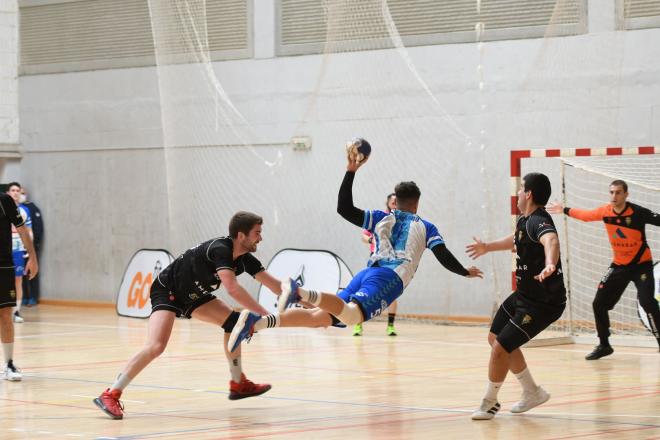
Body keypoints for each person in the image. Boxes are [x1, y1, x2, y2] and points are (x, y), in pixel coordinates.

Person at [228, 146, 483, 353]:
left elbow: (344, 208)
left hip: (367, 273)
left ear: (397, 200)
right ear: (416, 203)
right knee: (352, 318)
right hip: (389, 278)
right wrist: (464, 272)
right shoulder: (425, 226)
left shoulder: (381, 217)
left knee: (320, 318)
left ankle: (257, 323)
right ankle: (299, 291)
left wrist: (351, 170)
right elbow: (443, 255)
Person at [93, 212, 284, 420]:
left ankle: (238, 383)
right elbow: (232, 288)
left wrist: (312, 300)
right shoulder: (220, 249)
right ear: (241, 235)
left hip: (194, 295)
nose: (261, 238)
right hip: (169, 291)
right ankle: (110, 393)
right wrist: (263, 314)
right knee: (156, 346)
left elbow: (275, 286)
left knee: (233, 324)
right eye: (257, 233)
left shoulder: (244, 259)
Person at [466, 172, 565, 420]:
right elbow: (516, 240)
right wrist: (488, 246)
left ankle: (489, 402)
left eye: (521, 188)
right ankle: (532, 392)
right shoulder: (525, 220)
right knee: (494, 337)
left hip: (543, 303)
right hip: (524, 295)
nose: (518, 193)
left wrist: (550, 264)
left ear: (529, 194)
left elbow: (551, 240)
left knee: (501, 348)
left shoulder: (540, 220)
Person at [547, 180, 660, 359]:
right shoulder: (605, 212)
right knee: (598, 303)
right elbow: (586, 215)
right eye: (611, 192)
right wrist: (565, 209)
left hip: (641, 266)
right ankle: (604, 345)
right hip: (619, 265)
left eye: (618, 193)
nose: (614, 196)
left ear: (626, 195)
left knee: (647, 302)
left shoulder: (637, 212)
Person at [0, 190, 38, 381]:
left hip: (3, 266)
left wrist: (33, 257)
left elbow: (22, 229)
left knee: (6, 313)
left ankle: (8, 364)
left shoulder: (4, 200)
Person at [355, 192, 399, 336]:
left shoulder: (401, 221)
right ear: (388, 204)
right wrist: (370, 240)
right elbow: (364, 235)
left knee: (392, 294)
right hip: (376, 259)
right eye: (393, 203)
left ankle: (390, 326)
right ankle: (357, 324)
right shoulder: (379, 218)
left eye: (398, 203)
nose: (396, 205)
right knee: (364, 290)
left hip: (392, 262)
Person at [6, 182, 32, 323]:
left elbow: (29, 231)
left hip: (18, 250)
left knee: (18, 280)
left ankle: (16, 311)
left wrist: (29, 249)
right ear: (8, 193)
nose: (15, 193)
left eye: (18, 190)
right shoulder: (3, 208)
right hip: (4, 250)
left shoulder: (24, 210)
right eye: (13, 190)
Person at [21, 188, 43, 306]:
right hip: (20, 248)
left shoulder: (33, 209)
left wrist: (35, 245)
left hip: (31, 247)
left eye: (22, 193)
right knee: (22, 274)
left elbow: (38, 229)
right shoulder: (15, 209)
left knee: (32, 272)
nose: (20, 195)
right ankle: (24, 296)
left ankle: (33, 297)